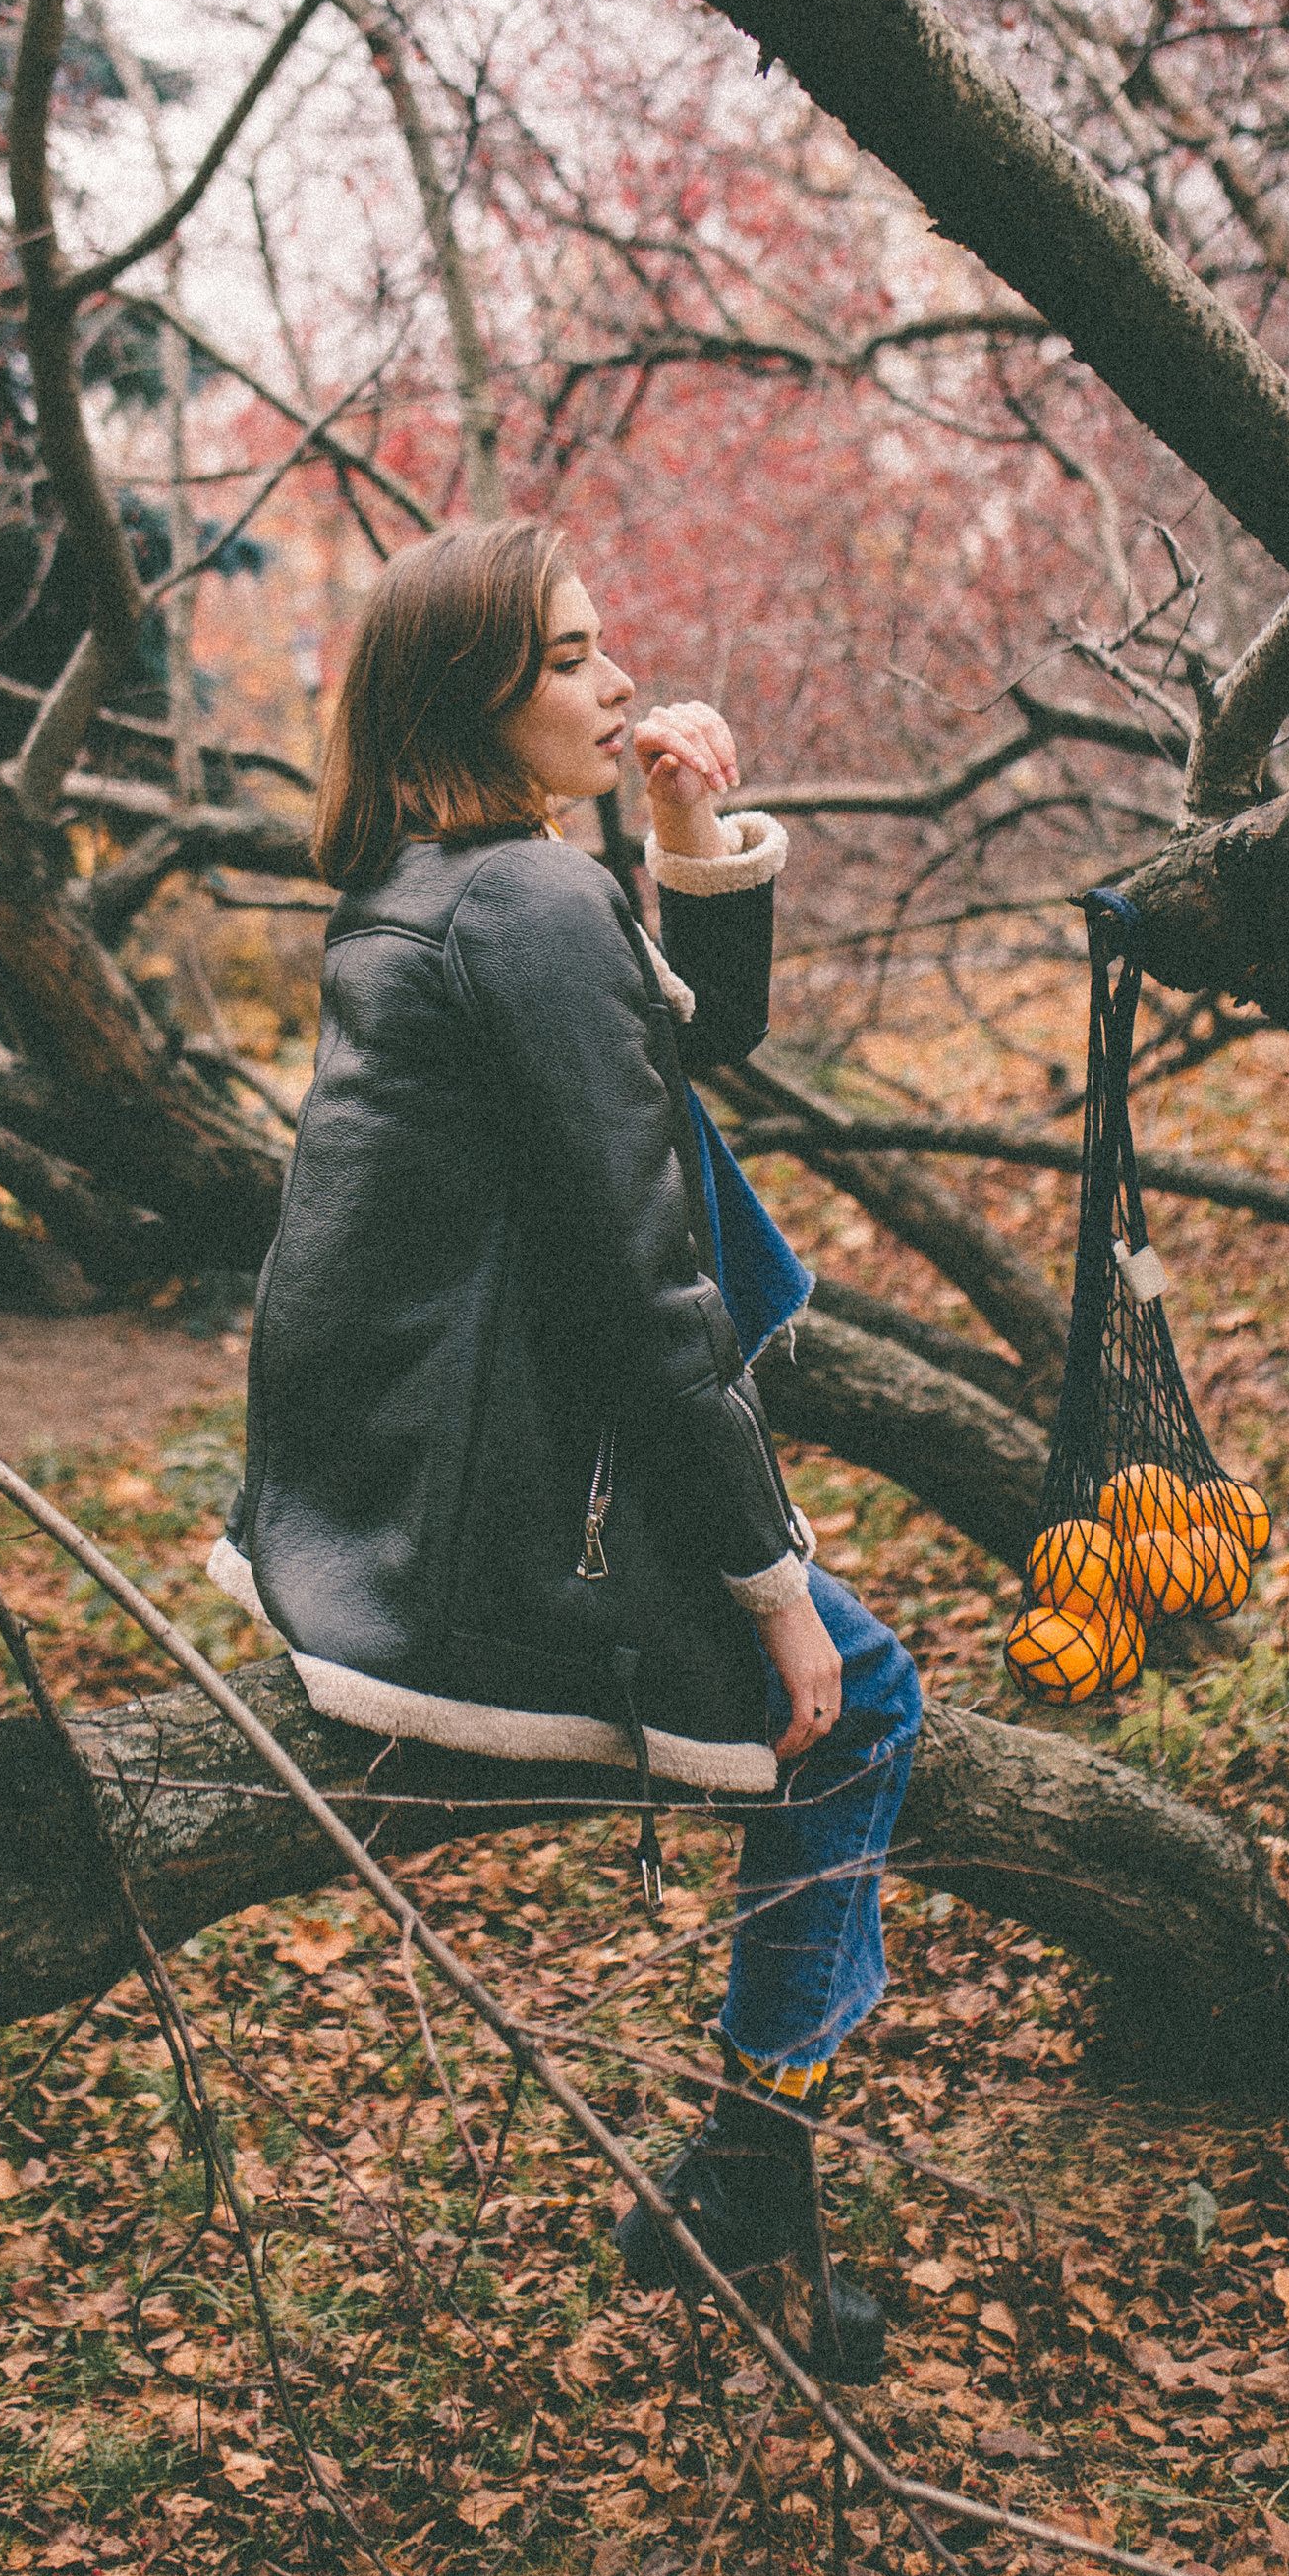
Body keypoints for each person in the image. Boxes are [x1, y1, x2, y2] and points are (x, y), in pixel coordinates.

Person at [209, 520, 923, 2376]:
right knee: (867, 1696)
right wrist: (770, 1587)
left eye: (611, 649)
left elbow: (680, 1065)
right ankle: (758, 2150)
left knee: (830, 1635)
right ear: (477, 696)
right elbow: (637, 1282)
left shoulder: (445, 888)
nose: (621, 686)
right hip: (490, 1524)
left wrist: (688, 852)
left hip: (391, 1493)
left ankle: (762, 2170)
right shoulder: (521, 906)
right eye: (575, 662)